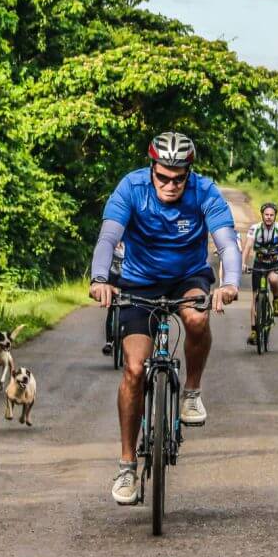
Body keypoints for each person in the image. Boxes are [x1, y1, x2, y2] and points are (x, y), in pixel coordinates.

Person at [89, 132, 241, 505]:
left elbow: (226, 243)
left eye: (179, 177)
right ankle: (127, 466)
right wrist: (100, 278)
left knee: (196, 318)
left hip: (188, 277)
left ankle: (190, 392)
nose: (171, 185)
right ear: (152, 168)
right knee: (135, 370)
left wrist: (231, 284)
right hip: (138, 283)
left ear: (189, 172)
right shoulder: (131, 187)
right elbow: (108, 238)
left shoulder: (205, 192)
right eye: (163, 176)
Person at [241, 202, 278, 345]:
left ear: (275, 216)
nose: (269, 217)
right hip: (259, 263)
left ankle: (276, 300)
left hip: (275, 262)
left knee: (274, 280)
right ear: (262, 215)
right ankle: (254, 331)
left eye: (271, 215)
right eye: (266, 215)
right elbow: (248, 247)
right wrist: (243, 263)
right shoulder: (254, 228)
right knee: (255, 297)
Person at [101, 241, 125, 356]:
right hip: (112, 277)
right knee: (111, 309)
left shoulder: (133, 242)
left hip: (127, 278)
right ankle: (109, 342)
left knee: (129, 307)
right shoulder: (111, 243)